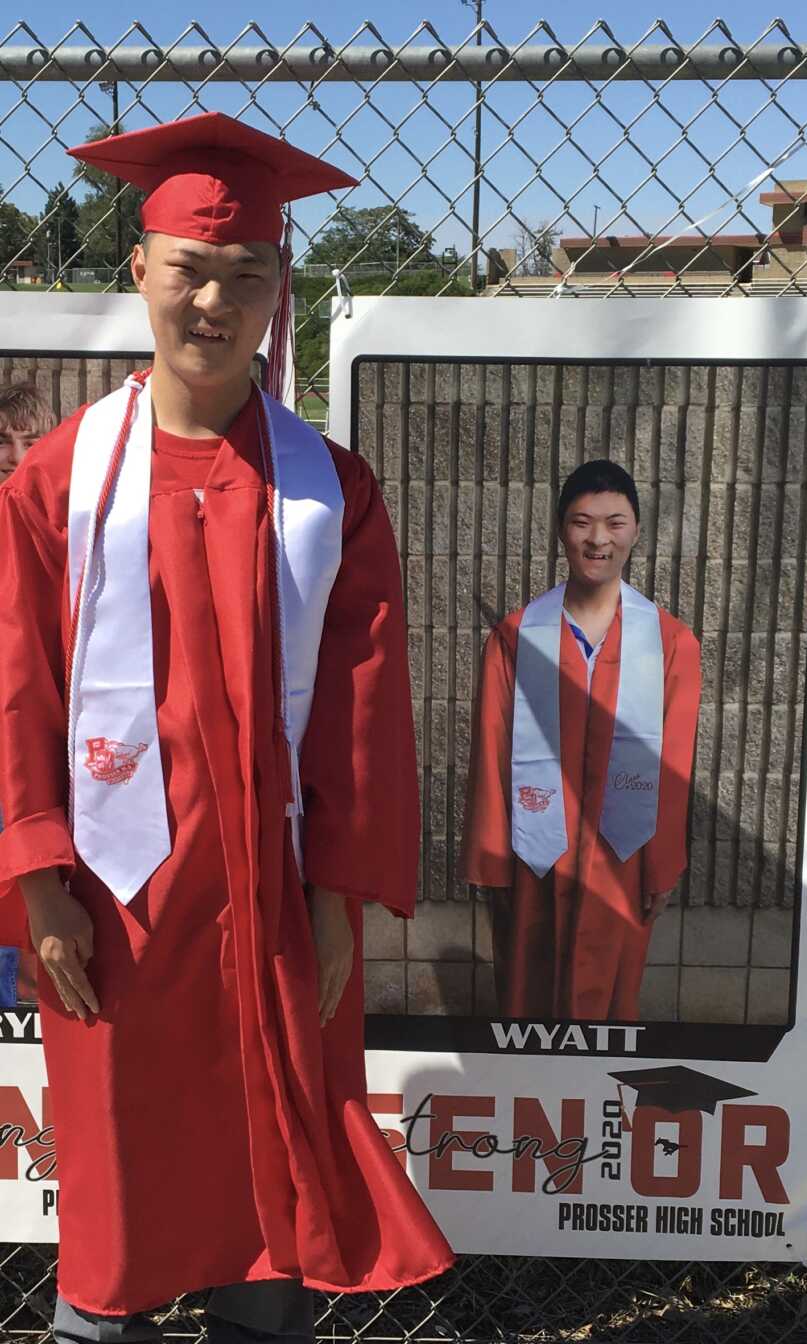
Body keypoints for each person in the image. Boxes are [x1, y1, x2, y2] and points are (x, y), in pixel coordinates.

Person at [0, 112, 453, 1343]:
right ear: (137, 268)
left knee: (272, 1187)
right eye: (190, 269)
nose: (215, 299)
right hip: (119, 901)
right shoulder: (56, 481)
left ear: (281, 292)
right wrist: (37, 878)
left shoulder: (328, 491)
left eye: (247, 275)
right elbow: (16, 687)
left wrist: (339, 894)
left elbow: (365, 711)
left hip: (275, 899)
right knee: (122, 1192)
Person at [462, 459, 701, 1021]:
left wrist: (661, 864)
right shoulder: (517, 637)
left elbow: (675, 764)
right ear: (561, 530)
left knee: (611, 1013)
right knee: (527, 999)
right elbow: (492, 751)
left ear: (636, 531)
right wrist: (493, 860)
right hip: (534, 853)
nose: (599, 539)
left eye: (615, 523)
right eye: (582, 522)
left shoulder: (669, 643)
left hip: (624, 856)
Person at [0, 382, 54, 1005]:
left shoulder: (70, 537)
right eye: (4, 442)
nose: (16, 457)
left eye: (31, 441)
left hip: (39, 757)